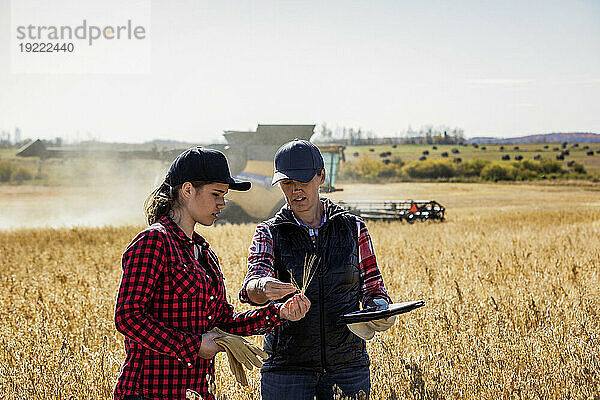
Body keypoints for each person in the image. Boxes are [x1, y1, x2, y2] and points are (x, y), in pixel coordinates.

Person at [114, 147, 311, 400]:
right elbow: (128, 317)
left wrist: (279, 312)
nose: (223, 203)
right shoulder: (154, 241)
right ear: (187, 190)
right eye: (216, 194)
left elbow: (224, 321)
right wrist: (193, 346)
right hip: (148, 391)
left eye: (224, 195)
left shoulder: (204, 253)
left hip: (196, 390)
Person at [239, 139, 395, 400]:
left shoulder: (354, 228)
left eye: (303, 181)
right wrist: (263, 287)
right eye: (287, 183)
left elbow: (374, 288)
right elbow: (252, 286)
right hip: (287, 370)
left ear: (321, 176)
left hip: (347, 367)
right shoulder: (268, 232)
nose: (295, 190)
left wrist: (380, 309)